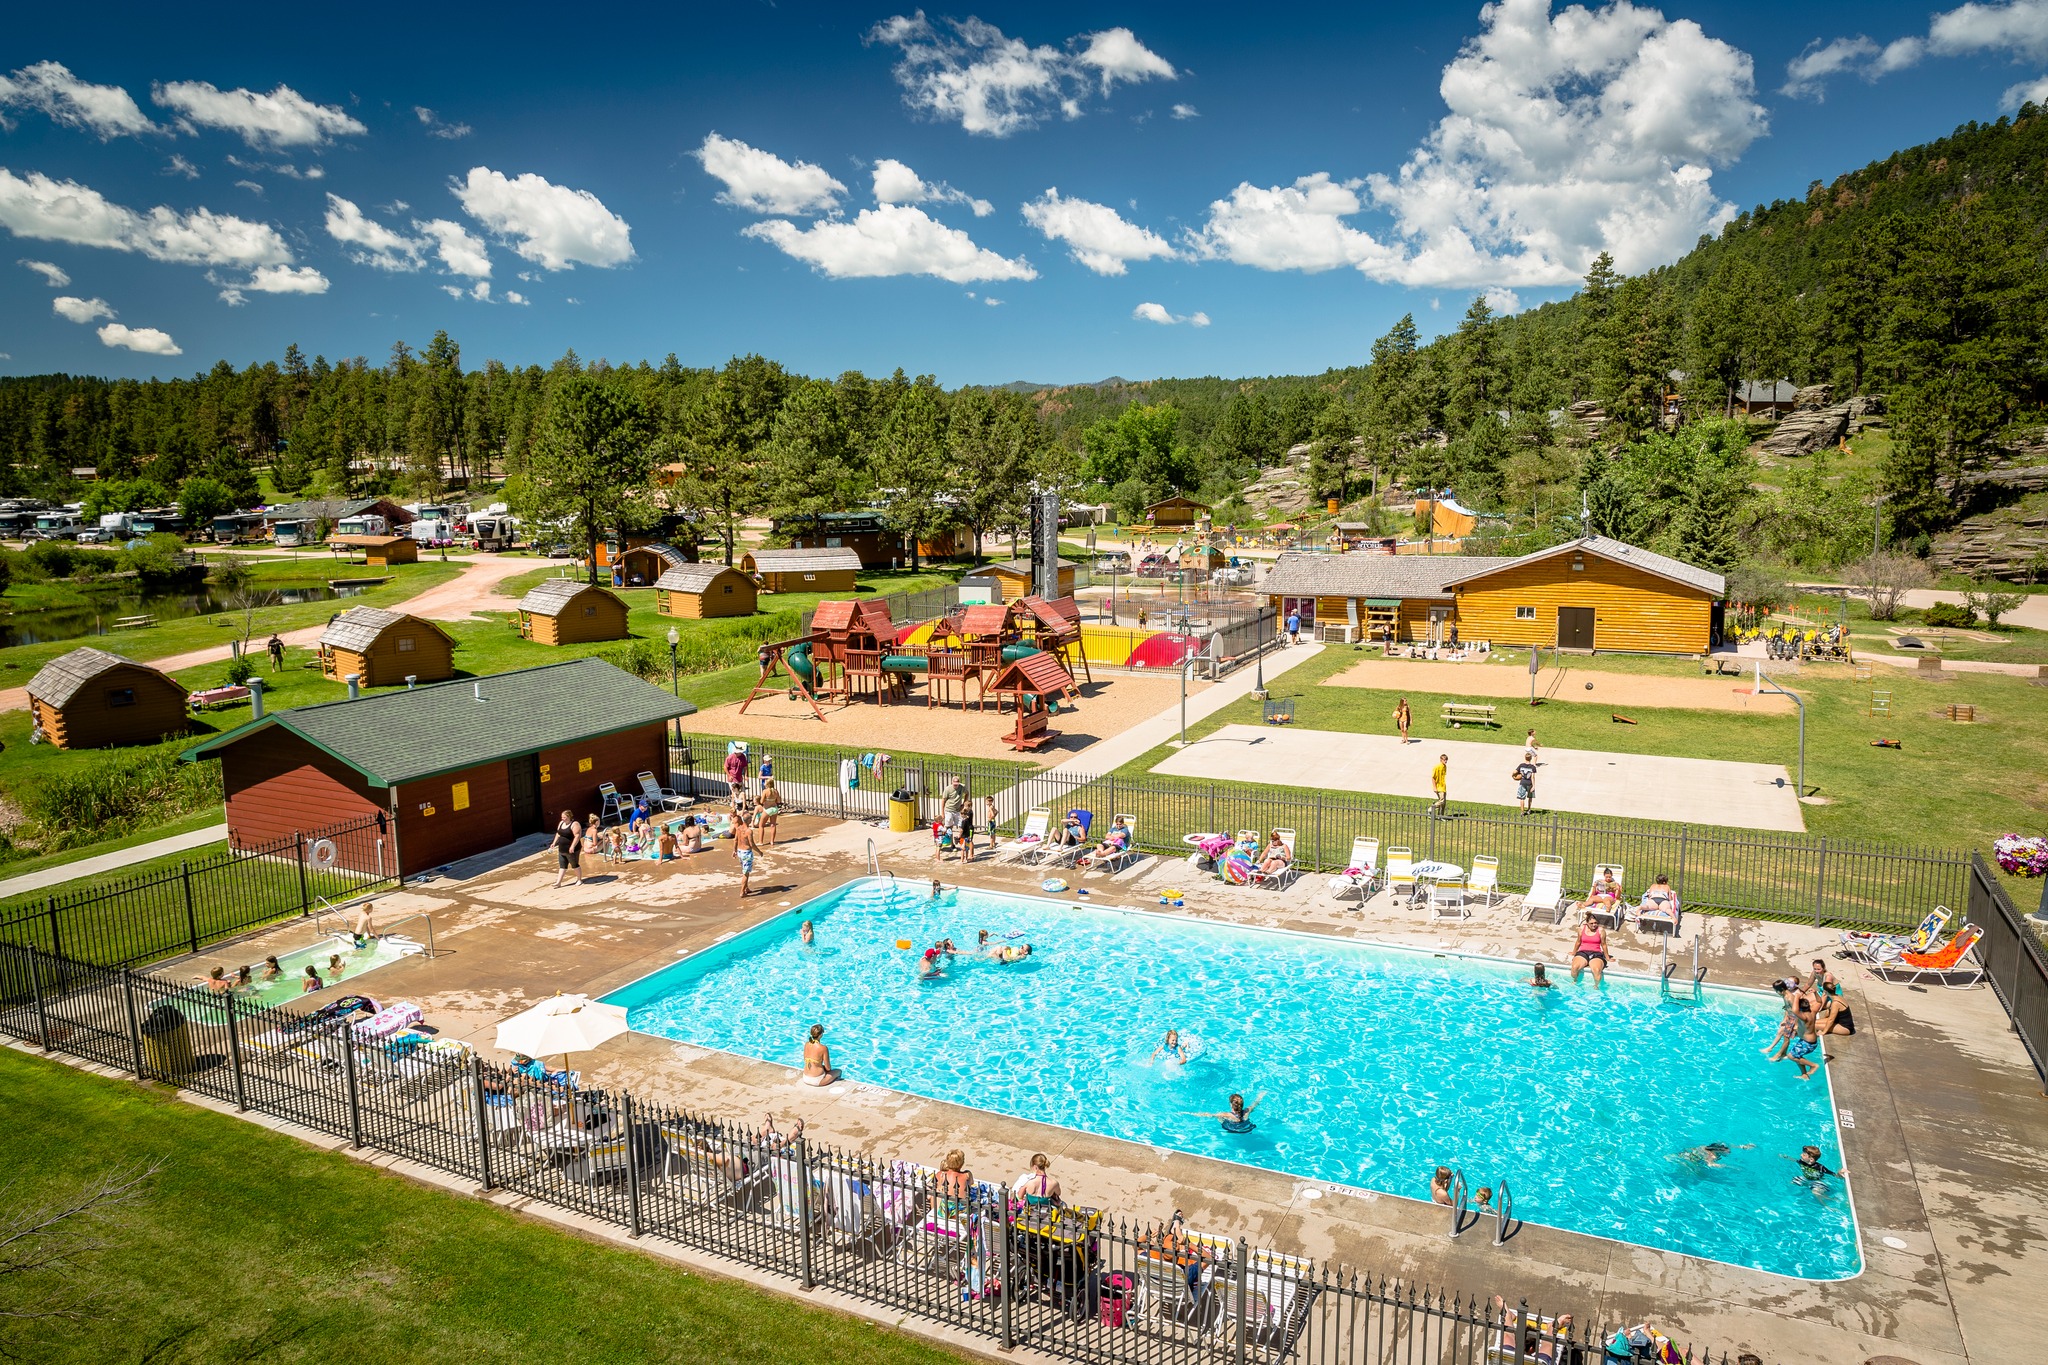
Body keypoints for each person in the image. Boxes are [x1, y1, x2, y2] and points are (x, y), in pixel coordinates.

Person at [1773, 999, 1822, 1079]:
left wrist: (1797, 996)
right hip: (1806, 1041)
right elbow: (1819, 1002)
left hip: (1808, 1043)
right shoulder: (1812, 1012)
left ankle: (1813, 1065)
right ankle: (1804, 1075)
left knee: (1791, 1056)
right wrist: (1815, 993)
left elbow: (1794, 1010)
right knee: (1797, 1055)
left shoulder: (1804, 1017)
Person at [1569, 914, 1608, 984]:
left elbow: (1604, 944)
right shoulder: (1581, 929)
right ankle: (1575, 981)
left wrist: (1607, 957)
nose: (1594, 925)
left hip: (1596, 953)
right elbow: (1578, 942)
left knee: (1596, 970)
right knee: (1574, 967)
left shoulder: (1601, 930)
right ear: (1587, 923)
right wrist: (1573, 952)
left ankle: (1597, 986)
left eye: (1596, 923)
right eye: (1591, 923)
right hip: (1583, 953)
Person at [933, 1149, 973, 1217]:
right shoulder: (967, 1175)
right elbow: (971, 1183)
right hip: (962, 1212)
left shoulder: (941, 1175)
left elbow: (938, 1188)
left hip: (945, 1212)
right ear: (962, 1163)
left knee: (935, 1192)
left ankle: (934, 1213)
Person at [551, 810, 583, 888]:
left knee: (574, 865)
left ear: (569, 817)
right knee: (562, 866)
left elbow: (577, 836)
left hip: (571, 850)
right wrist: (554, 843)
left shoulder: (575, 824)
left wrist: (572, 846)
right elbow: (558, 833)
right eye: (562, 817)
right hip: (562, 849)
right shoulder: (561, 823)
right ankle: (558, 883)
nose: (563, 819)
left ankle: (579, 879)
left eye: (564, 817)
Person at [734, 813, 758, 896]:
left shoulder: (739, 828)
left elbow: (736, 840)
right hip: (746, 853)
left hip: (740, 851)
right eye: (750, 818)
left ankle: (746, 888)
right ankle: (742, 892)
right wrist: (759, 852)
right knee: (746, 873)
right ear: (748, 820)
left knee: (745, 870)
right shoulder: (749, 831)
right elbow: (752, 844)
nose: (751, 820)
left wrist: (734, 850)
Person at [756, 779, 783, 848]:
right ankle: (772, 841)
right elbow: (779, 801)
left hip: (767, 809)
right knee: (773, 825)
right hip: (774, 809)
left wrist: (766, 801)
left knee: (761, 825)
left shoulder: (765, 791)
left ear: (767, 784)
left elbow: (761, 801)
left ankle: (760, 842)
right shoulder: (776, 791)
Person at [1512, 751, 1538, 815]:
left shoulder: (1521, 765)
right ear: (1531, 758)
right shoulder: (1533, 767)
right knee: (1530, 797)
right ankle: (1529, 810)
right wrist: (1534, 786)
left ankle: (1522, 811)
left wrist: (1513, 775)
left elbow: (1515, 771)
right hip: (1529, 783)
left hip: (1522, 783)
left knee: (1521, 798)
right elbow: (1533, 777)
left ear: (1525, 758)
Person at [1431, 753, 1449, 818]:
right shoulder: (1437, 767)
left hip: (1443, 787)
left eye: (1446, 760)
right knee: (1441, 800)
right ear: (1440, 760)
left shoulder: (1445, 767)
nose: (1446, 761)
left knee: (1443, 803)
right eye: (1444, 760)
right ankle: (1431, 809)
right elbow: (1433, 777)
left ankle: (1440, 816)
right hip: (1439, 787)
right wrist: (1434, 787)